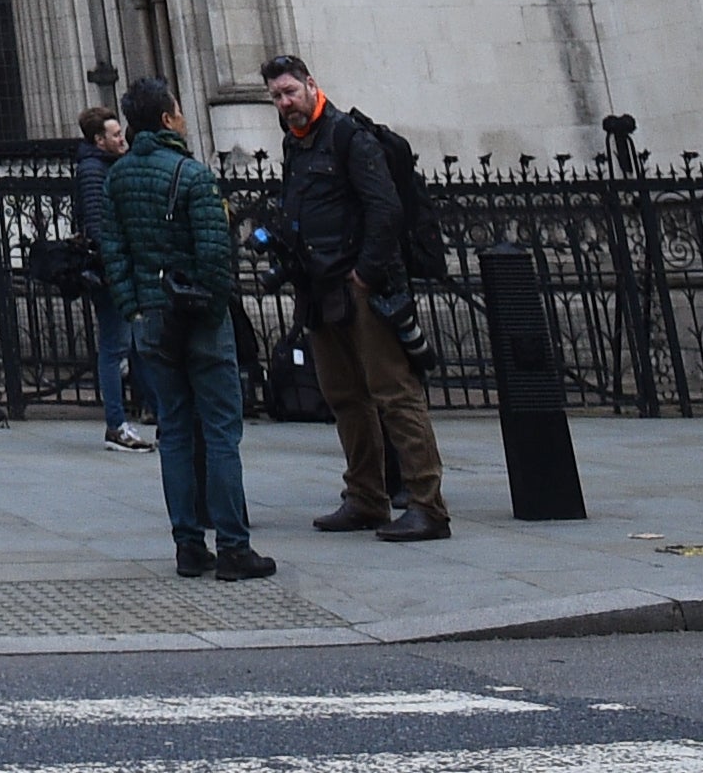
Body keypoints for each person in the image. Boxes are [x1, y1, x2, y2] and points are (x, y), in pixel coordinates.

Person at [97, 76, 276, 581]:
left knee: (174, 432)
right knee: (221, 432)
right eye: (178, 109)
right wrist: (214, 307)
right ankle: (235, 547)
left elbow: (115, 252)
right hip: (199, 319)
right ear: (167, 118)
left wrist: (134, 307)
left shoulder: (117, 179)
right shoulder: (194, 176)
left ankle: (188, 545)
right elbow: (216, 255)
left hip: (151, 320)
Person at [265, 53, 444, 541]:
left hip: (361, 287)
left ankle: (427, 503)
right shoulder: (295, 145)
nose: (285, 103)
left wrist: (365, 274)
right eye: (277, 96)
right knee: (344, 396)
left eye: (290, 92)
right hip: (319, 287)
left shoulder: (349, 136)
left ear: (311, 85)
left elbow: (385, 208)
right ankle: (366, 497)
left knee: (394, 394)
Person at [72, 102, 144, 451]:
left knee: (132, 345)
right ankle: (116, 424)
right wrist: (115, 266)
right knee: (115, 348)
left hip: (120, 267)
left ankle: (145, 413)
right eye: (116, 135)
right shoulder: (93, 170)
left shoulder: (109, 166)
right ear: (99, 139)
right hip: (110, 271)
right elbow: (98, 225)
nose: (123, 139)